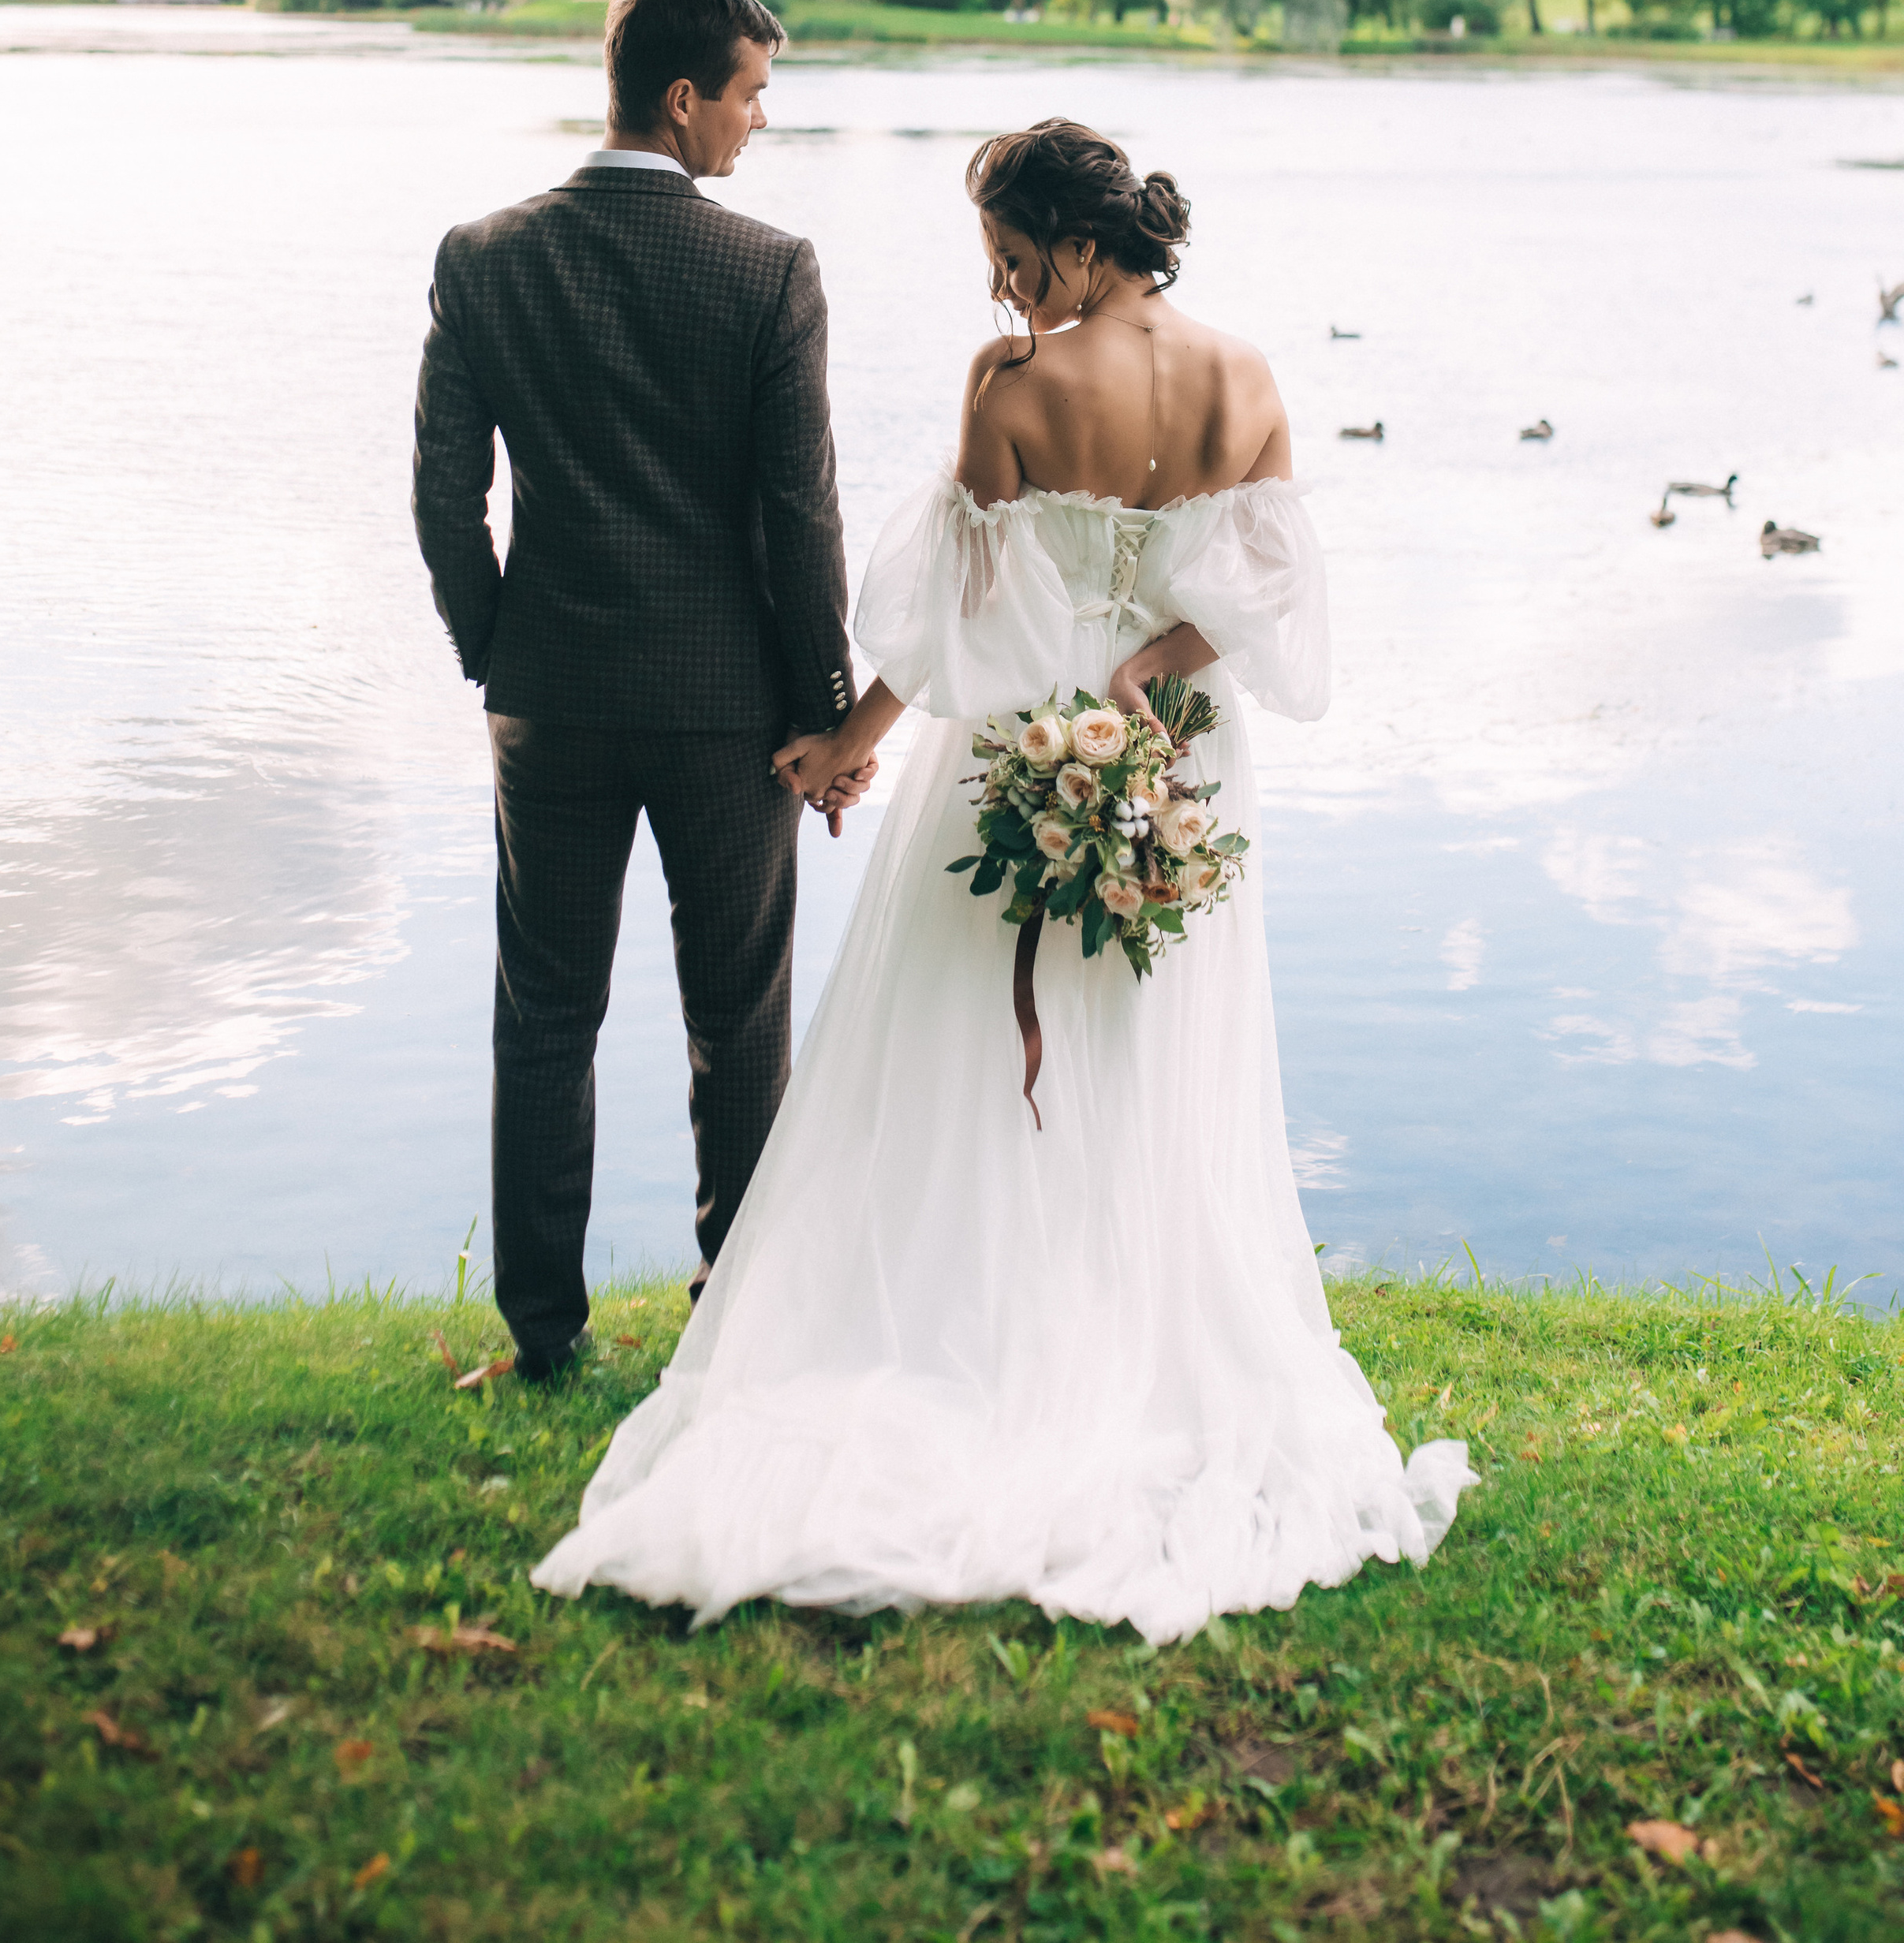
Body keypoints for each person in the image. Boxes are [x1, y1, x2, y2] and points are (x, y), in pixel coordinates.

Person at [531, 117, 1471, 1638]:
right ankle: (1134, 1339)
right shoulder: (1248, 377)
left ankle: (986, 1336)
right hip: (1181, 749)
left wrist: (851, 741)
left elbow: (963, 619)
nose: (1006, 294)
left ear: (1084, 247)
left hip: (1030, 736)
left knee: (968, 1056)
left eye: (1019, 262)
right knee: (1156, 1049)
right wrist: (1150, 670)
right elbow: (1263, 598)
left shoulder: (1013, 387)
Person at [412, 0, 870, 1382]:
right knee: (739, 1020)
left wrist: (499, 649)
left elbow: (443, 500)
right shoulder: (769, 269)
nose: (757, 122)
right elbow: (799, 518)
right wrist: (831, 717)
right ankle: (732, 1325)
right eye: (750, 96)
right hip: (728, 712)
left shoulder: (482, 256)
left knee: (545, 1015)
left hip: (548, 696)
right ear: (682, 99)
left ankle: (543, 1335)